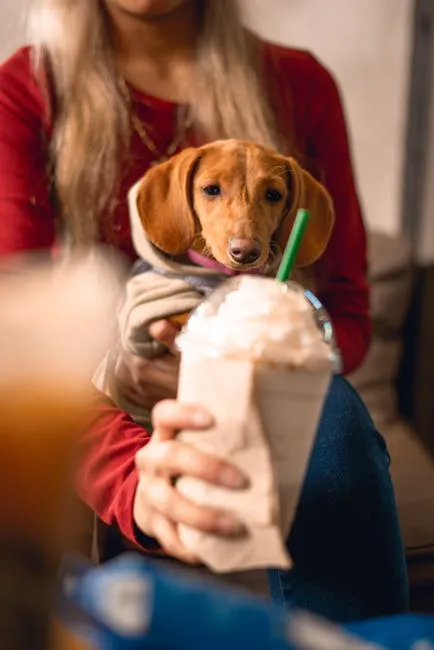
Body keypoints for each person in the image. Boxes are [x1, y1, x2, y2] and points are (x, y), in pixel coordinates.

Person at [0, 0, 408, 622]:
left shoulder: (300, 84)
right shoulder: (25, 89)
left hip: (277, 402)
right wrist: (132, 479)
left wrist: (268, 362)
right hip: (103, 409)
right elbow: (17, 350)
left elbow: (346, 316)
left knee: (332, 406)